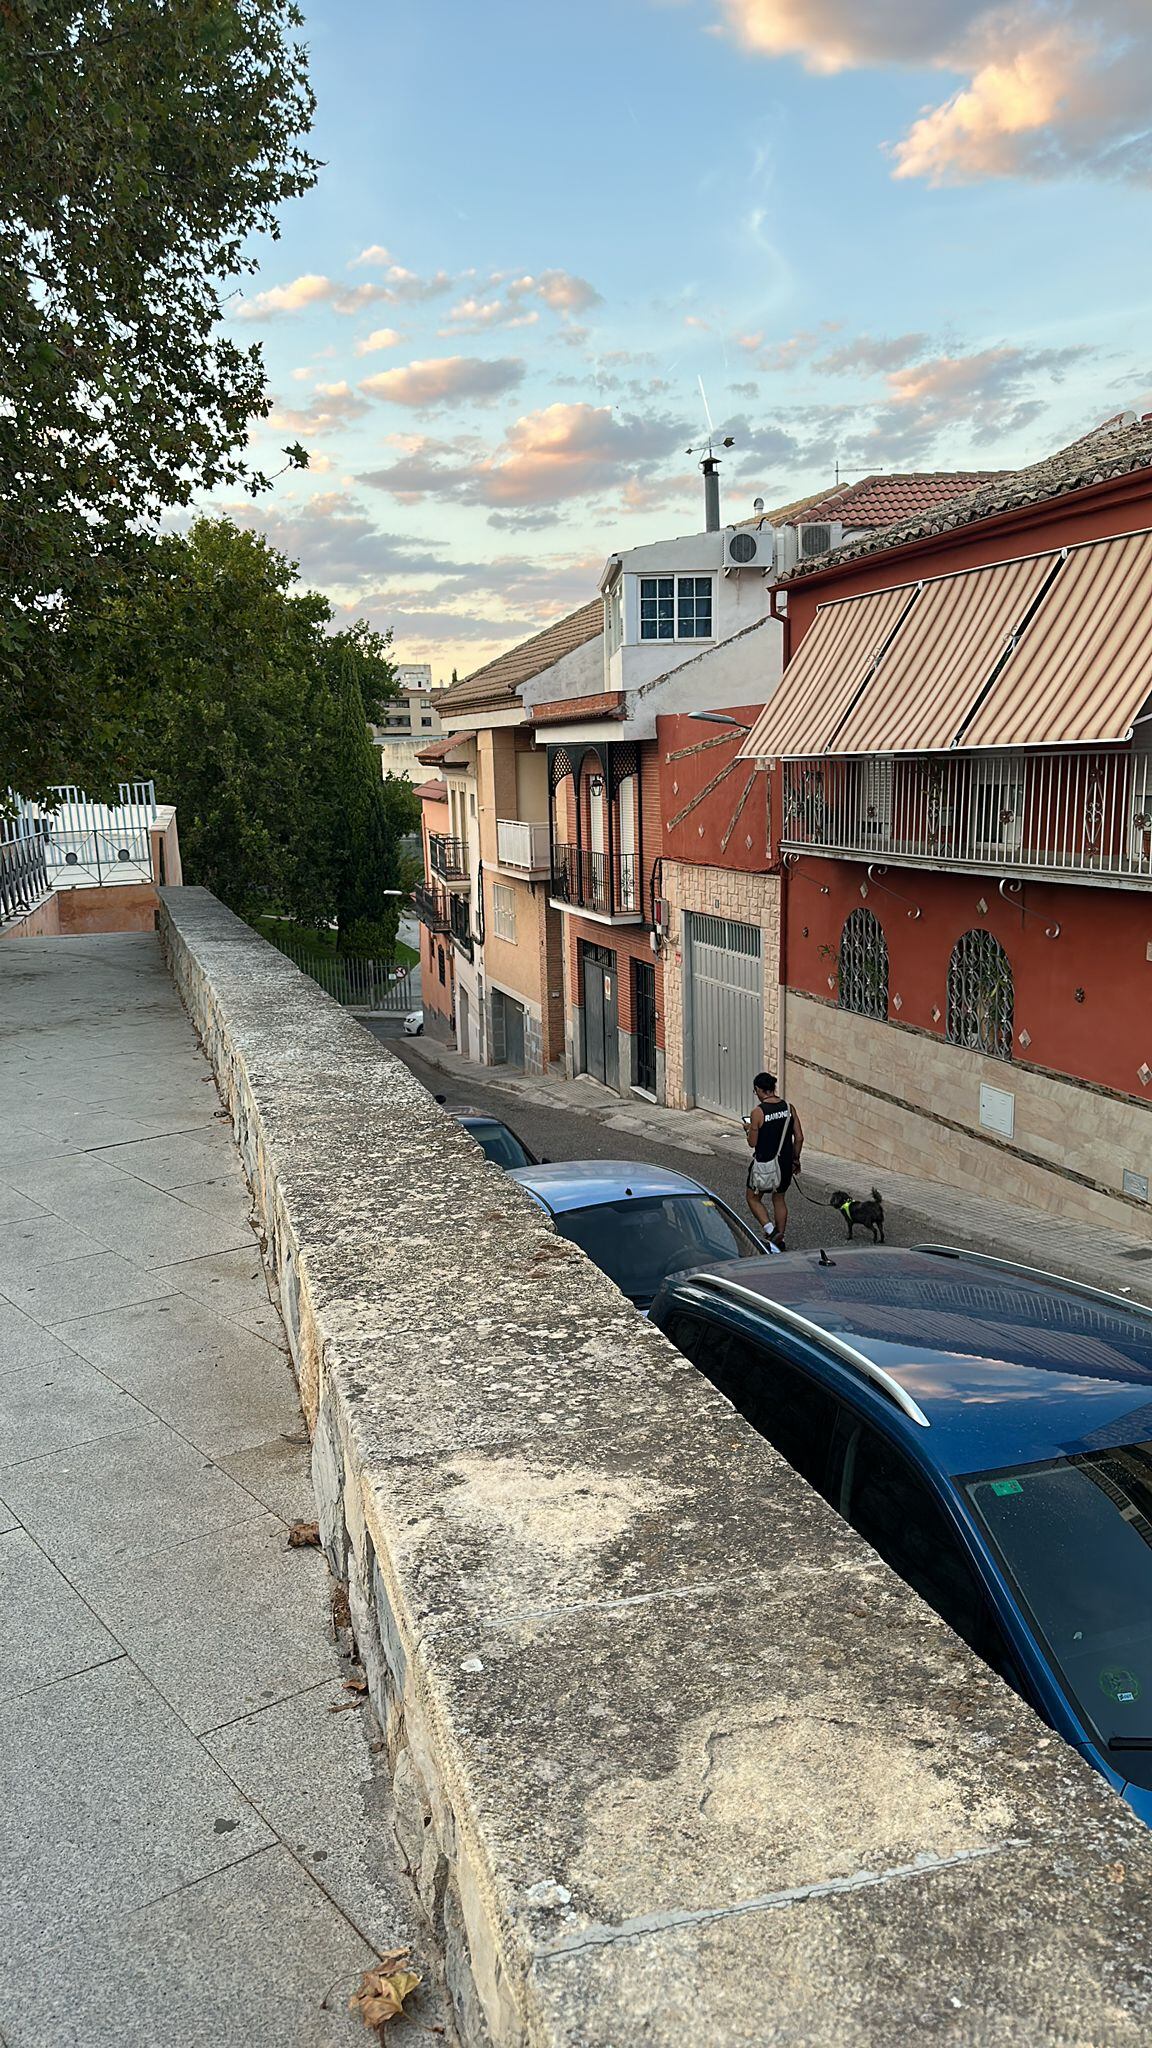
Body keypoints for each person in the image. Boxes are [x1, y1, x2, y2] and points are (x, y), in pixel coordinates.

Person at [744, 1071, 803, 1252]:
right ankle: (780, 1239)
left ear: (759, 1090)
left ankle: (770, 1230)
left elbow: (752, 1143)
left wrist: (748, 1129)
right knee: (779, 1198)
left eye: (756, 1092)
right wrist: (795, 1159)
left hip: (764, 1164)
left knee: (753, 1198)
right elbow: (799, 1137)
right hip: (784, 1164)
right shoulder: (788, 1107)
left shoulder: (758, 1112)